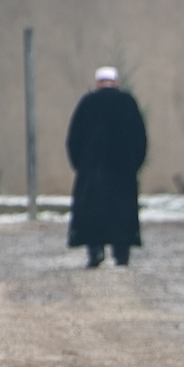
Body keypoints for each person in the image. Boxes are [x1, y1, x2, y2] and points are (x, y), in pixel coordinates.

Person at [66, 66, 147, 268]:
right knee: (122, 214)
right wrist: (133, 166)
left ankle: (95, 252)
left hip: (93, 172)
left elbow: (73, 140)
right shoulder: (128, 103)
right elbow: (141, 140)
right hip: (122, 173)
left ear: (97, 83)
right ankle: (122, 255)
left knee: (93, 213)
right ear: (116, 82)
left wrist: (81, 167)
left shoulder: (87, 104)